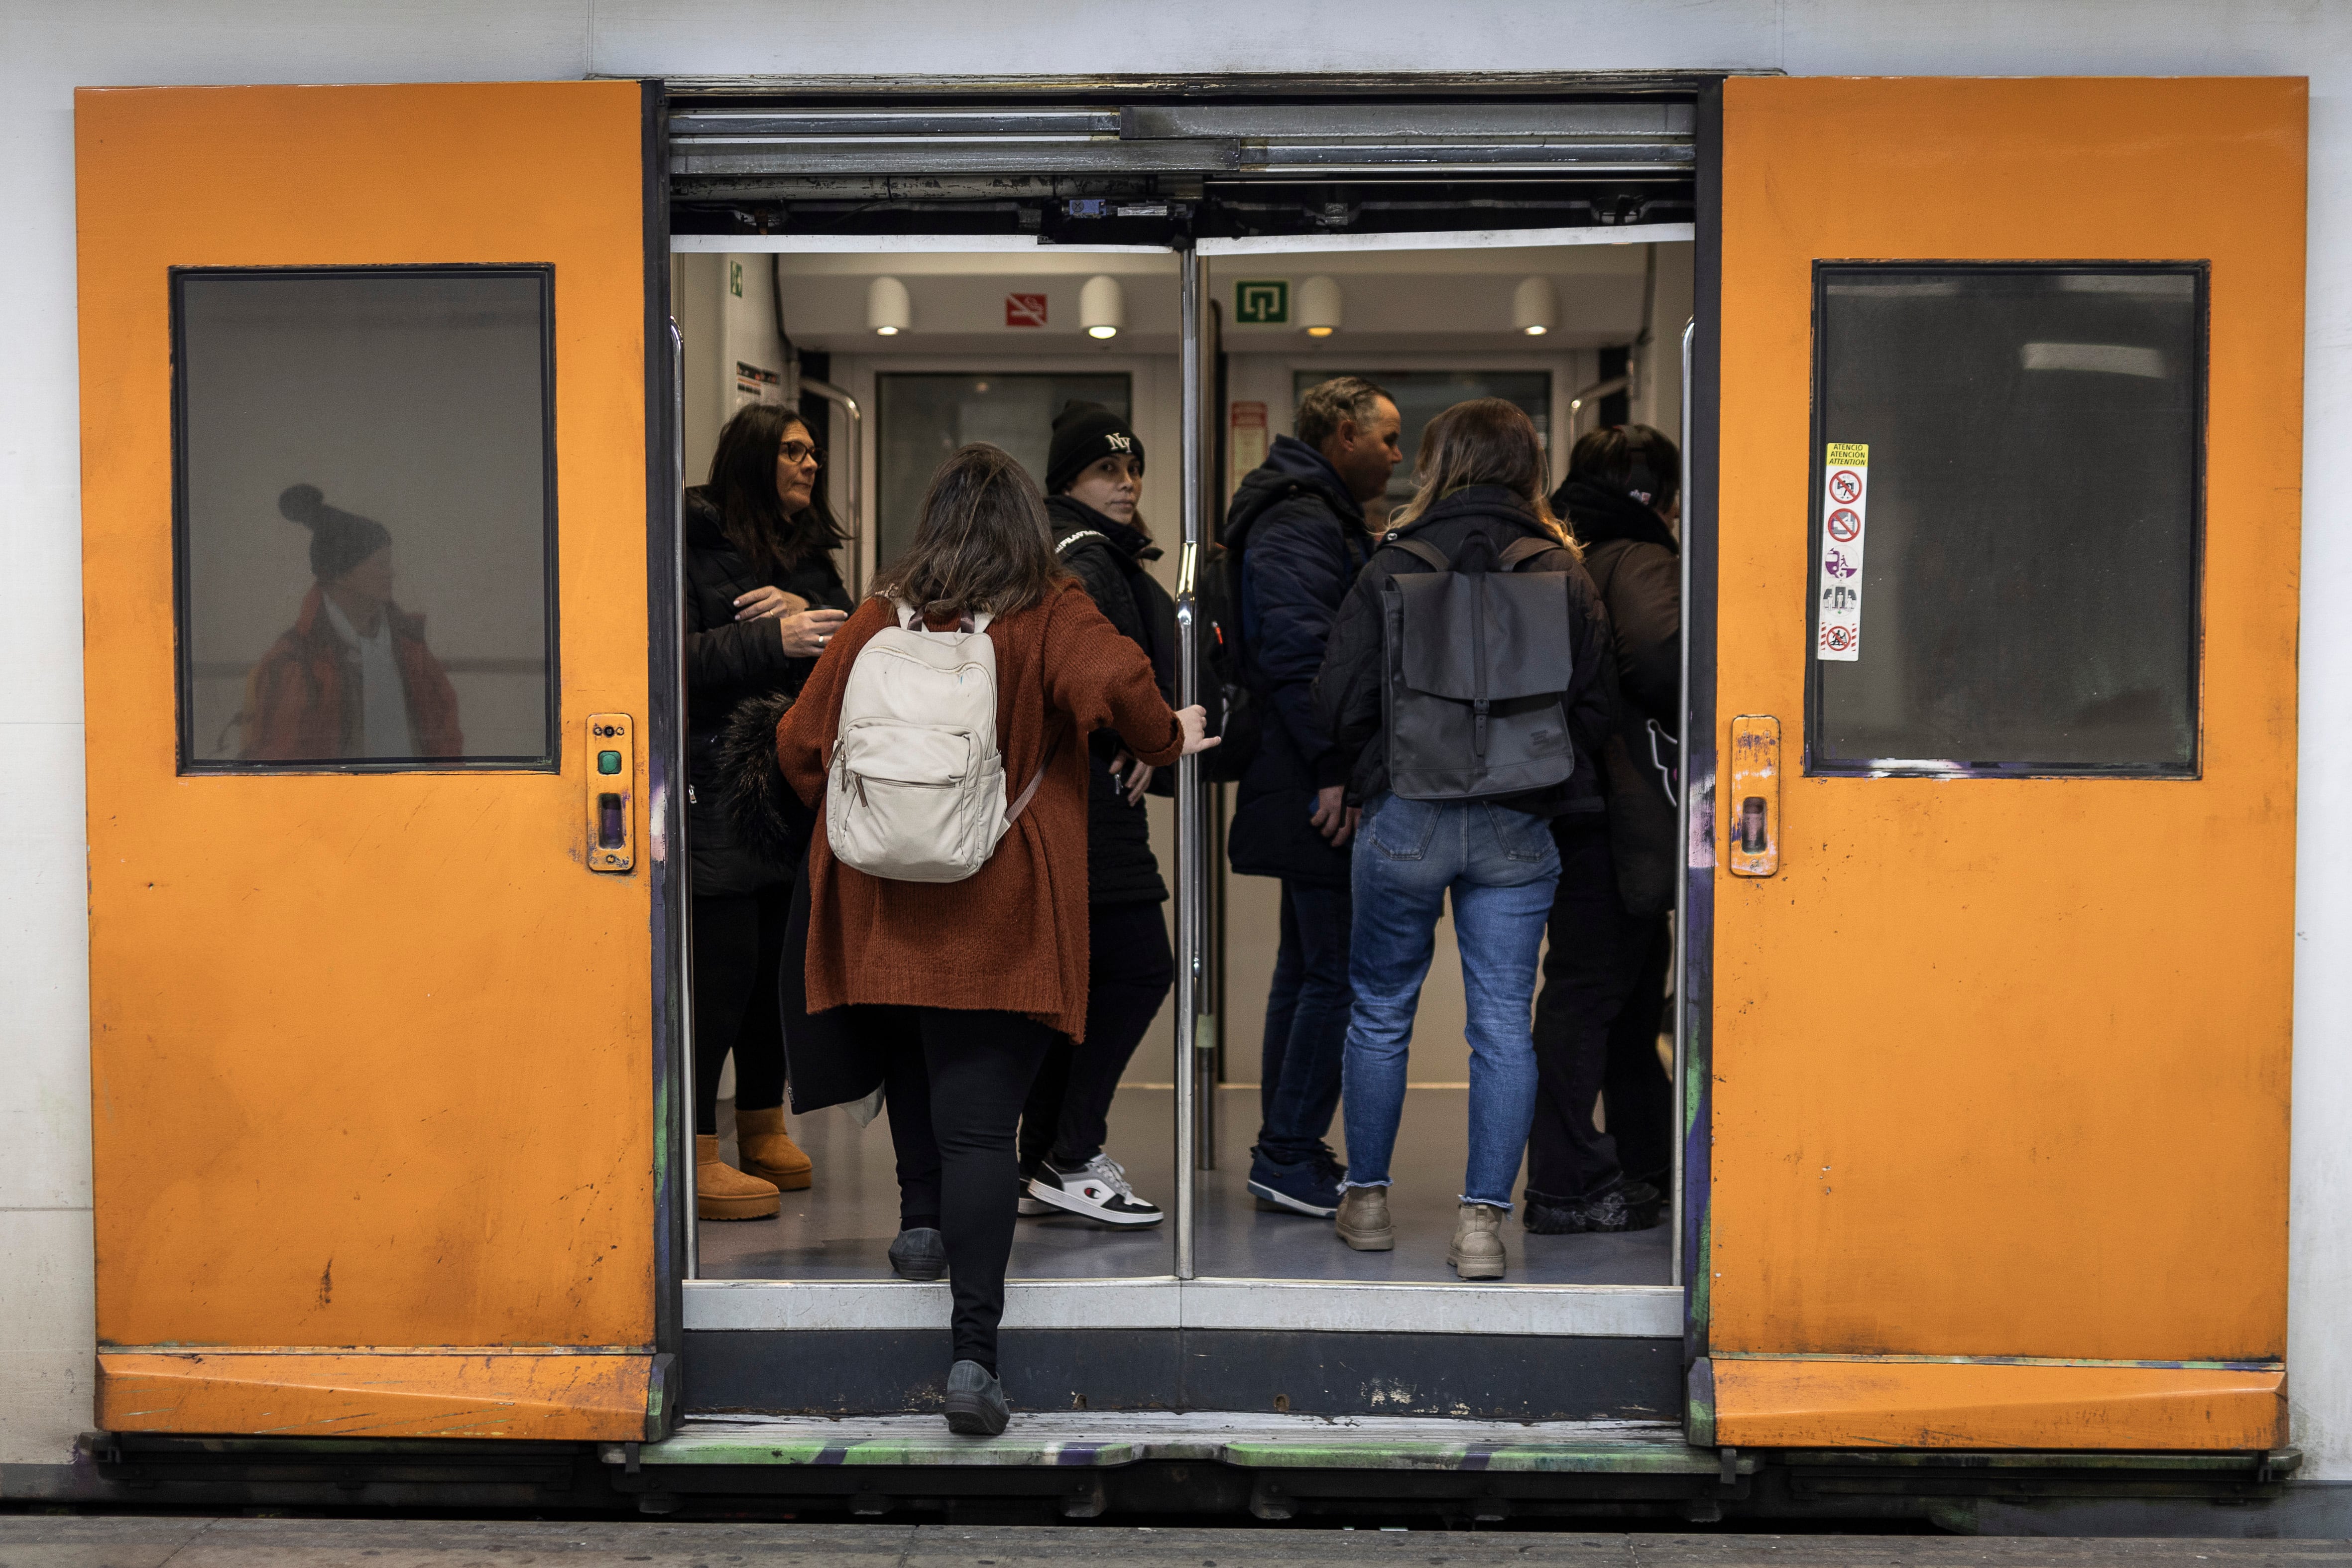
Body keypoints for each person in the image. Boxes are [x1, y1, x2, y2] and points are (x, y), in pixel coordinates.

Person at [775, 443, 1217, 1435]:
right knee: (981, 1126)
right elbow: (1124, 684)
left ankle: (918, 1220)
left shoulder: (879, 613)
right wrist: (1163, 738)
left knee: (912, 1054)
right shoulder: (1050, 607)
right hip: (1001, 905)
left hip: (881, 899)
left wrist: (880, 825)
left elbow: (800, 743)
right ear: (1029, 522)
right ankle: (973, 1354)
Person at [1312, 399, 1612, 1280]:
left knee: (1379, 1010)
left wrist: (1376, 761)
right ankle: (1481, 1227)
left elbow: (1336, 699)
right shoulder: (1561, 569)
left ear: (1436, 465)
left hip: (1407, 812)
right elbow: (1597, 708)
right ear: (1528, 465)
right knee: (1502, 1025)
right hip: (1519, 821)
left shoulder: (1393, 561)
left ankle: (1367, 1202)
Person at [1223, 375, 1402, 1218]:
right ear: (1342, 433)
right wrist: (1336, 767)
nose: (1396, 456)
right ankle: (1287, 1150)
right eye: (1387, 438)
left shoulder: (1312, 512)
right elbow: (1301, 655)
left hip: (1302, 765)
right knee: (1333, 972)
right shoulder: (1301, 519)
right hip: (1310, 772)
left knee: (1305, 969)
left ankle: (1285, 1143)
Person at [683, 404, 851, 1222]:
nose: (808, 463)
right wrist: (772, 641)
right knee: (721, 976)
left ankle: (761, 1126)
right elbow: (662, 656)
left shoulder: (809, 551)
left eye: (812, 451)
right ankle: (692, 1152)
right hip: (717, 784)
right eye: (791, 450)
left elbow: (860, 642)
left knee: (775, 979)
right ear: (753, 458)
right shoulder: (687, 541)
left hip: (793, 788)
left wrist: (805, 604)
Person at [1013, 403, 1176, 1228]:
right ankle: (1070, 1154)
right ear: (1068, 481)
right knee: (1140, 967)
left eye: (1133, 467)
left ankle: (1042, 1158)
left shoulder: (1071, 550)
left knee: (1077, 989)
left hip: (1073, 801)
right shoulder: (1083, 559)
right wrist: (1149, 732)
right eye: (1107, 469)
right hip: (1090, 804)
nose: (1127, 482)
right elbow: (1095, 674)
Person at [1523, 424, 1683, 1235]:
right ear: (1657, 495)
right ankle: (1564, 1181)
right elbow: (1661, 656)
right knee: (1592, 994)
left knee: (1622, 990)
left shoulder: (1561, 550)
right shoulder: (1638, 555)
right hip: (1616, 810)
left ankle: (1640, 1160)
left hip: (1568, 797)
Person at [240, 484, 461, 761]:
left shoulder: (410, 645)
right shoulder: (296, 659)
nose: (391, 574)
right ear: (341, 575)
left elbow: (445, 733)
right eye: (380, 564)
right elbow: (280, 758)